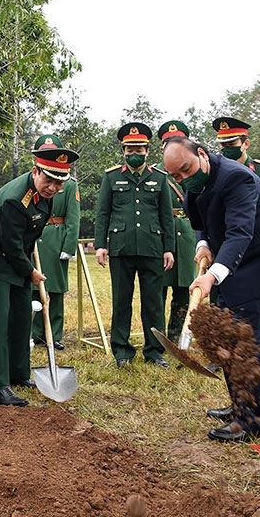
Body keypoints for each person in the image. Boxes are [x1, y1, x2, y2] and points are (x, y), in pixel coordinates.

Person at [162, 136, 260, 443]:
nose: (184, 178)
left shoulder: (237, 178)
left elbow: (239, 233)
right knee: (228, 332)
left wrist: (211, 277)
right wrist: (202, 244)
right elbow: (200, 221)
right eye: (176, 176)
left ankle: (252, 420)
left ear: (201, 153)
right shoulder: (192, 182)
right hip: (233, 260)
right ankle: (240, 405)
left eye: (186, 169)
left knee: (245, 338)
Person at [0, 146, 78, 406]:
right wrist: (31, 272)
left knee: (22, 315)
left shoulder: (47, 194)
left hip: (19, 256)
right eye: (48, 180)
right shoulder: (13, 198)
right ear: (35, 171)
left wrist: (27, 263)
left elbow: (28, 234)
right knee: (0, 320)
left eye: (59, 182)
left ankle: (19, 373)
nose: (53, 188)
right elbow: (9, 246)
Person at [94, 122, 174, 368]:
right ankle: (122, 351)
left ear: (147, 151)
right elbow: (103, 213)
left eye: (139, 149)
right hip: (121, 247)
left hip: (152, 247)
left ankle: (154, 351)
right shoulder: (112, 177)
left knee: (153, 303)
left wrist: (168, 248)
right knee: (121, 300)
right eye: (130, 149)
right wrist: (100, 245)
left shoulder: (160, 178)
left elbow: (166, 216)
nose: (134, 154)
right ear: (123, 150)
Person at [30, 134, 81, 350]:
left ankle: (55, 333)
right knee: (32, 287)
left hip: (56, 237)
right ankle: (34, 332)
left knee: (57, 289)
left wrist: (68, 247)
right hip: (34, 237)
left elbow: (73, 216)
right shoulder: (32, 180)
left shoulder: (69, 185)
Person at [156, 120, 197, 341]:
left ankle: (177, 335)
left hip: (189, 234)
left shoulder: (195, 168)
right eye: (167, 143)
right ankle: (158, 336)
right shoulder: (156, 173)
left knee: (184, 291)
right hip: (164, 235)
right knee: (159, 291)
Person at [212, 117, 260, 207]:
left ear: (246, 144)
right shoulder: (215, 172)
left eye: (232, 144)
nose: (227, 148)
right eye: (223, 144)